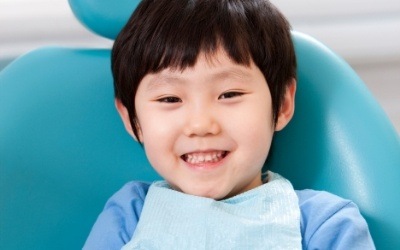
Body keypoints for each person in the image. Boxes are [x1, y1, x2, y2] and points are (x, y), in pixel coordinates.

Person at [84, 0, 375, 249]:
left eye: (229, 94)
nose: (200, 124)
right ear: (132, 120)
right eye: (170, 98)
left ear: (283, 104)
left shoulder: (323, 225)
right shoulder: (128, 216)